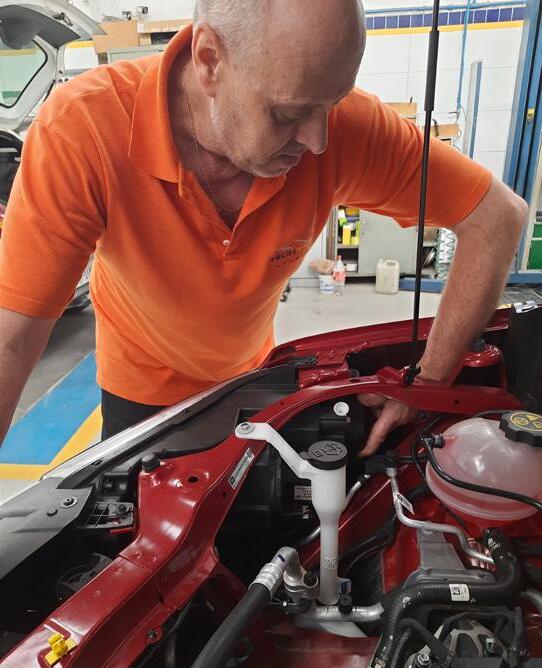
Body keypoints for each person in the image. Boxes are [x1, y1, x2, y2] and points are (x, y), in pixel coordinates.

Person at [0, 0, 527, 451]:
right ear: (210, 62)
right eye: (288, 113)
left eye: (332, 104)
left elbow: (498, 217)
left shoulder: (344, 129)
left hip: (255, 380)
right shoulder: (84, 131)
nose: (318, 141)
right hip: (139, 395)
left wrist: (429, 381)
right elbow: (12, 342)